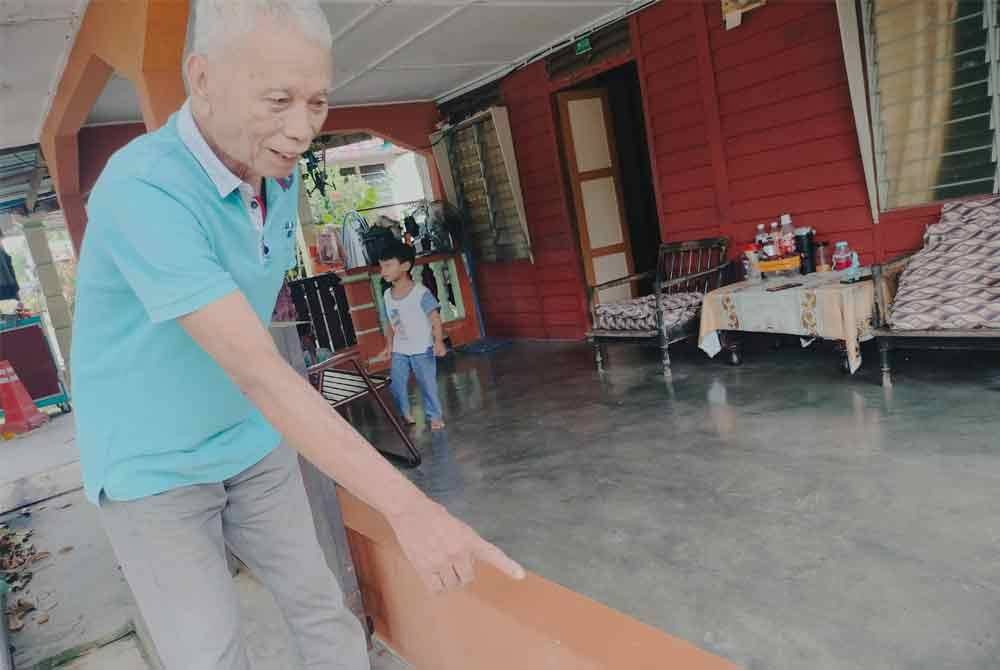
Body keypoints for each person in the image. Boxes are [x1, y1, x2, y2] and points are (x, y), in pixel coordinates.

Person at [70, 2, 524, 669]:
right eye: (278, 99)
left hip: (248, 439)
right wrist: (410, 507)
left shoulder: (273, 174)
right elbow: (257, 365)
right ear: (201, 78)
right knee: (208, 651)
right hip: (152, 465)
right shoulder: (144, 188)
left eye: (316, 102)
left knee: (321, 605)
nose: (300, 129)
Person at [376, 242, 447, 430]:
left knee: (427, 385)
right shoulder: (386, 295)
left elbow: (435, 318)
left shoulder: (421, 293)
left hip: (422, 348)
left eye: (388, 265)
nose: (383, 271)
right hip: (400, 349)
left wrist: (438, 341)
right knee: (396, 384)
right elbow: (388, 323)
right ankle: (406, 413)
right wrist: (389, 345)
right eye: (381, 266)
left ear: (405, 266)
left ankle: (435, 416)